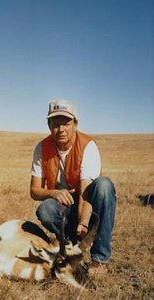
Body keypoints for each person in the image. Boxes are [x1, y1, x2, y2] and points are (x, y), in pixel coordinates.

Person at [30, 99, 116, 276]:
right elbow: (34, 191)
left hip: (88, 203)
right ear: (49, 125)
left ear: (75, 124)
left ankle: (100, 259)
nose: (61, 130)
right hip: (64, 204)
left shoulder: (87, 145)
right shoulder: (42, 147)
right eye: (55, 124)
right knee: (45, 210)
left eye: (66, 123)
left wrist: (84, 222)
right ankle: (72, 244)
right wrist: (54, 192)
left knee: (104, 186)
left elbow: (86, 189)